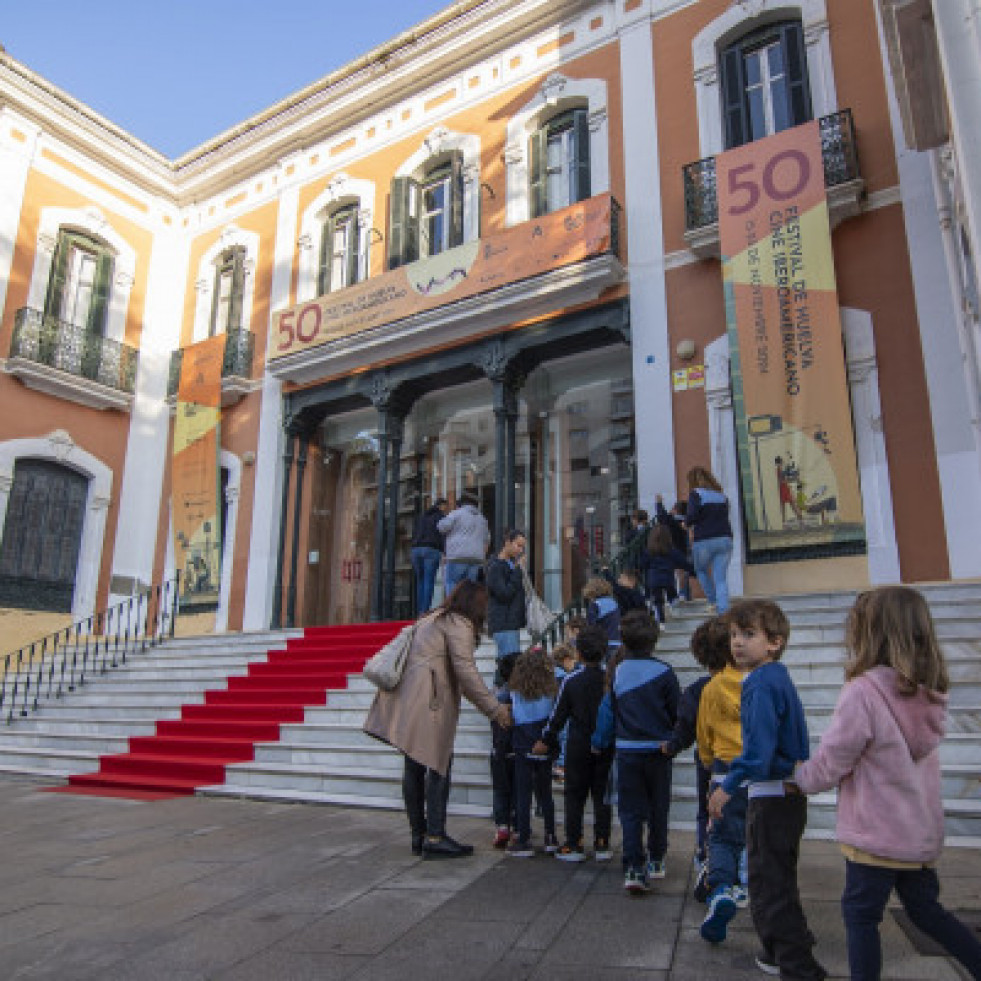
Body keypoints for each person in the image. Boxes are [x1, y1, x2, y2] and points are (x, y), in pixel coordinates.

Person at [793, 587, 981, 981]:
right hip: (917, 831)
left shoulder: (863, 691)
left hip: (874, 835)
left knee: (860, 917)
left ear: (869, 632)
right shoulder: (930, 689)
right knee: (926, 911)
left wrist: (799, 778)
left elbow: (834, 758)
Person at [707, 599, 826, 980]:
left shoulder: (759, 683)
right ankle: (780, 950)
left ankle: (796, 964)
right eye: (734, 635)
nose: (737, 642)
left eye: (748, 634)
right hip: (787, 794)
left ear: (774, 642)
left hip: (772, 795)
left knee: (768, 884)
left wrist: (726, 786)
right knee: (778, 878)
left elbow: (757, 753)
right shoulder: (777, 677)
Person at [363, 580, 511, 858]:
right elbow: (465, 672)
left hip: (409, 697)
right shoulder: (459, 624)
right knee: (439, 764)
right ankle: (435, 835)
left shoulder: (432, 618)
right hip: (429, 700)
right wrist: (494, 708)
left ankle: (418, 835)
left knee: (414, 765)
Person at [592, 610, 679, 895]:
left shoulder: (618, 672)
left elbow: (611, 710)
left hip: (627, 750)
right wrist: (675, 742)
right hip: (658, 749)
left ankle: (633, 865)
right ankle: (656, 858)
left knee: (629, 810)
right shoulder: (665, 672)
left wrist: (601, 740)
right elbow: (677, 713)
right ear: (653, 640)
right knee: (658, 806)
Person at [660, 616, 730, 899]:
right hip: (744, 762)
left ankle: (706, 859)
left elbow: (685, 726)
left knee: (706, 812)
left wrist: (672, 746)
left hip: (710, 761)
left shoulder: (697, 690)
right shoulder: (748, 684)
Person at [534, 625, 614, 863]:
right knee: (602, 794)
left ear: (578, 652)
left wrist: (546, 740)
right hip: (606, 743)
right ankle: (602, 842)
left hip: (578, 743)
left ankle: (574, 842)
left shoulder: (571, 681)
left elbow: (557, 716)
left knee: (574, 794)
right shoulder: (609, 680)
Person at [695, 623, 749, 942]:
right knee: (752, 833)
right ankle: (746, 881)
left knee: (722, 837)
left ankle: (721, 889)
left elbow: (704, 733)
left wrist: (705, 758)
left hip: (725, 768)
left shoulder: (713, 688)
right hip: (758, 771)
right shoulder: (760, 682)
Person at [503, 646, 559, 857]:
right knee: (545, 792)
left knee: (523, 793)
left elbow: (516, 714)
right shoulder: (551, 689)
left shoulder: (516, 690)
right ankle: (551, 835)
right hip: (543, 739)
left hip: (522, 741)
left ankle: (524, 837)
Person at [685, 466, 733, 614]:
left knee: (701, 570)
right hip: (725, 539)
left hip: (704, 540)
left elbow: (692, 516)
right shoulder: (722, 496)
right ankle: (723, 609)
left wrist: (685, 523)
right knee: (720, 578)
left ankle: (712, 601)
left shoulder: (696, 494)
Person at [486, 530, 527, 683]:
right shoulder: (495, 566)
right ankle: (501, 699)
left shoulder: (509, 564)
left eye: (522, 547)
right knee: (509, 667)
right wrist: (517, 572)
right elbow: (503, 594)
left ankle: (500, 698)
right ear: (508, 542)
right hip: (503, 622)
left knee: (506, 665)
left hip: (510, 622)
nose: (520, 550)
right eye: (518, 545)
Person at [438, 492, 490, 596]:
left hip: (457, 556)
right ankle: (467, 611)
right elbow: (487, 539)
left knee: (452, 584)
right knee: (470, 588)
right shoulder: (482, 519)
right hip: (475, 559)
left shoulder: (456, 514)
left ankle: (453, 610)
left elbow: (442, 527)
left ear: (460, 505)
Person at [646, 524, 694, 624]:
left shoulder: (649, 551)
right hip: (668, 578)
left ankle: (660, 619)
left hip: (654, 579)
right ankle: (673, 607)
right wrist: (693, 571)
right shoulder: (672, 551)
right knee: (672, 594)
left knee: (658, 600)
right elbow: (683, 563)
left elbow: (642, 563)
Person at [410, 497, 447, 614]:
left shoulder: (421, 517)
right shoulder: (440, 517)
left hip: (416, 550)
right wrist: (445, 551)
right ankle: (424, 611)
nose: (446, 510)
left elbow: (414, 532)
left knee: (420, 581)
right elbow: (443, 536)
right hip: (431, 550)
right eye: (446, 507)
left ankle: (419, 609)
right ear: (442, 506)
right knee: (429, 581)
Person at [655, 493, 691, 601]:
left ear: (675, 509)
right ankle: (685, 594)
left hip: (673, 550)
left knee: (674, 574)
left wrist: (659, 503)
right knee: (684, 573)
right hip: (685, 549)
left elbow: (662, 517)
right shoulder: (687, 521)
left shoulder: (672, 520)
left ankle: (676, 596)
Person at [583, 577, 621, 659]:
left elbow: (591, 627)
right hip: (617, 641)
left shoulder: (595, 605)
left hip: (603, 644)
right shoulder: (614, 602)